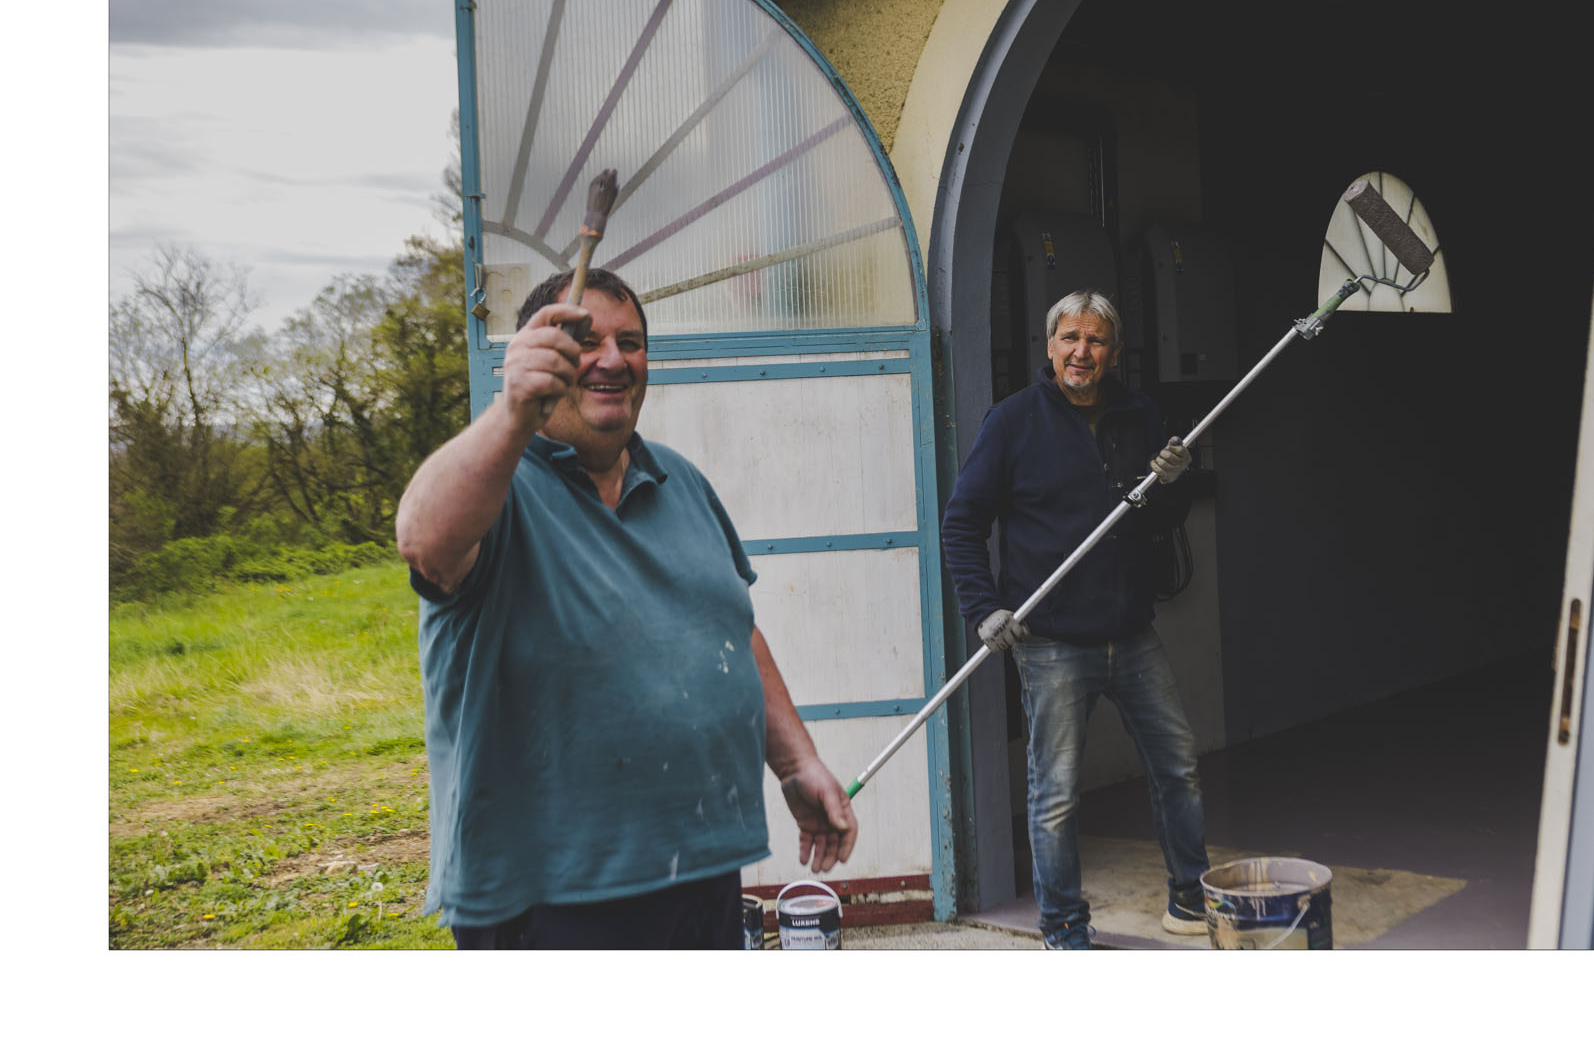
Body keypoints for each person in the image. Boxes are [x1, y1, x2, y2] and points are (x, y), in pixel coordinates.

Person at [396, 266, 857, 948]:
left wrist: (795, 761)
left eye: (631, 341)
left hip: (702, 869)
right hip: (553, 895)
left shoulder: (681, 481)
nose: (613, 358)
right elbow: (423, 542)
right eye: (586, 339)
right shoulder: (499, 488)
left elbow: (730, 628)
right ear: (540, 352)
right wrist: (510, 412)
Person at [940, 288, 1207, 949]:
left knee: (1178, 765)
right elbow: (962, 523)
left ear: (1113, 352)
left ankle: (1189, 899)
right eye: (1070, 339)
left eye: (1095, 340)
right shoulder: (1012, 422)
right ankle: (1062, 925)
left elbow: (1161, 523)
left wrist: (1175, 483)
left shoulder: (1139, 416)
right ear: (1049, 345)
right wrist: (984, 609)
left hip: (1131, 631)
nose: (1081, 351)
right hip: (1052, 641)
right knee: (1056, 792)